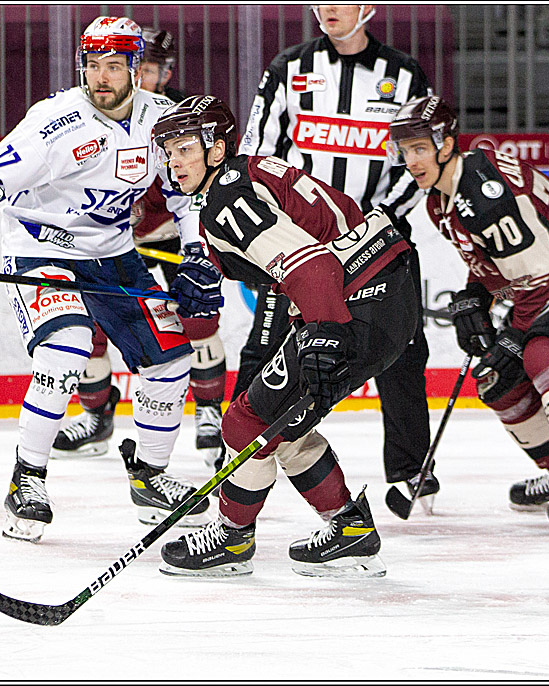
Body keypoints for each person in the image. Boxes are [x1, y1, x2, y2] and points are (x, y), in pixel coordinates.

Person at [0, 16, 218, 543]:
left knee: (171, 358)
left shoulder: (163, 120)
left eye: (113, 66)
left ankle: (149, 477)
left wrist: (196, 253)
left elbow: (185, 192)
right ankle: (27, 480)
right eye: (91, 66)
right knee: (66, 347)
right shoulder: (55, 121)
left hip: (113, 252)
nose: (100, 78)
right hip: (41, 248)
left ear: (135, 69)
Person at [151, 95, 420, 577]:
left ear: (215, 149)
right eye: (168, 151)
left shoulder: (226, 199)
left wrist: (322, 331)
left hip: (354, 301)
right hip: (385, 290)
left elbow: (311, 266)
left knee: (245, 422)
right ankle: (350, 530)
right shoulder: (244, 176)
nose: (174, 162)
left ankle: (231, 540)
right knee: (283, 423)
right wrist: (201, 279)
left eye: (184, 147)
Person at [387, 95, 549, 535]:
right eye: (404, 151)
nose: (411, 160)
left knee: (543, 351)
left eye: (420, 148)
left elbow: (544, 277)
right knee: (498, 380)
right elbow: (496, 263)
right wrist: (473, 298)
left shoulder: (481, 190)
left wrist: (513, 336)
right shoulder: (440, 203)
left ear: (446, 146)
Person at [237, 4, 438, 510]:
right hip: (297, 242)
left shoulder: (404, 74)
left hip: (381, 241)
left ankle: (411, 469)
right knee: (266, 345)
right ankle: (236, 452)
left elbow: (417, 160)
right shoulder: (288, 68)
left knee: (403, 349)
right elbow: (257, 149)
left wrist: (371, 226)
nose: (327, 8)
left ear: (367, 8)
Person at [53, 26, 227, 474]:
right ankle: (96, 414)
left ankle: (209, 410)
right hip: (113, 245)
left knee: (197, 317)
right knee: (89, 326)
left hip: (166, 238)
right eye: (138, 67)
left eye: (149, 69)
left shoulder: (176, 118)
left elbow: (193, 190)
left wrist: (190, 237)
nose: (142, 77)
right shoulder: (93, 114)